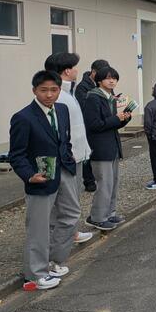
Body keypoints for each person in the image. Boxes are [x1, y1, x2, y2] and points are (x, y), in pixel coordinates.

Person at [9, 71, 77, 290]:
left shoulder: (62, 110)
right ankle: (36, 274)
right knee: (38, 227)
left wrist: (68, 157)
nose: (49, 95)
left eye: (53, 90)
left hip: (64, 171)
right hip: (40, 178)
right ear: (34, 91)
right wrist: (30, 175)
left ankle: (53, 260)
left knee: (71, 215)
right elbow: (16, 155)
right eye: (43, 90)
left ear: (59, 90)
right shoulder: (23, 117)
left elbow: (64, 140)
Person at [44, 53, 93, 246]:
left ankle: (70, 233)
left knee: (72, 197)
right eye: (74, 67)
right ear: (66, 70)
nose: (77, 70)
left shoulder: (68, 91)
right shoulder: (58, 95)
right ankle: (58, 239)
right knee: (63, 199)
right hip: (67, 156)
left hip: (77, 153)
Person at [84, 67, 132, 231]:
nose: (112, 81)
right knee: (104, 184)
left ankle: (110, 213)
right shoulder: (93, 98)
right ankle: (97, 218)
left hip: (112, 146)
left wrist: (124, 119)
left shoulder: (110, 98)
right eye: (108, 78)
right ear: (99, 80)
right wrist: (116, 119)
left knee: (113, 183)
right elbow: (94, 125)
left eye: (114, 78)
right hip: (100, 147)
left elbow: (112, 124)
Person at [75, 58, 109, 193]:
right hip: (87, 125)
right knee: (87, 153)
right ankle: (89, 180)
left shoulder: (104, 84)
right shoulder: (82, 87)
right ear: (93, 72)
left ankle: (99, 177)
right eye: (102, 75)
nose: (105, 78)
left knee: (99, 152)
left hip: (103, 123)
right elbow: (84, 107)